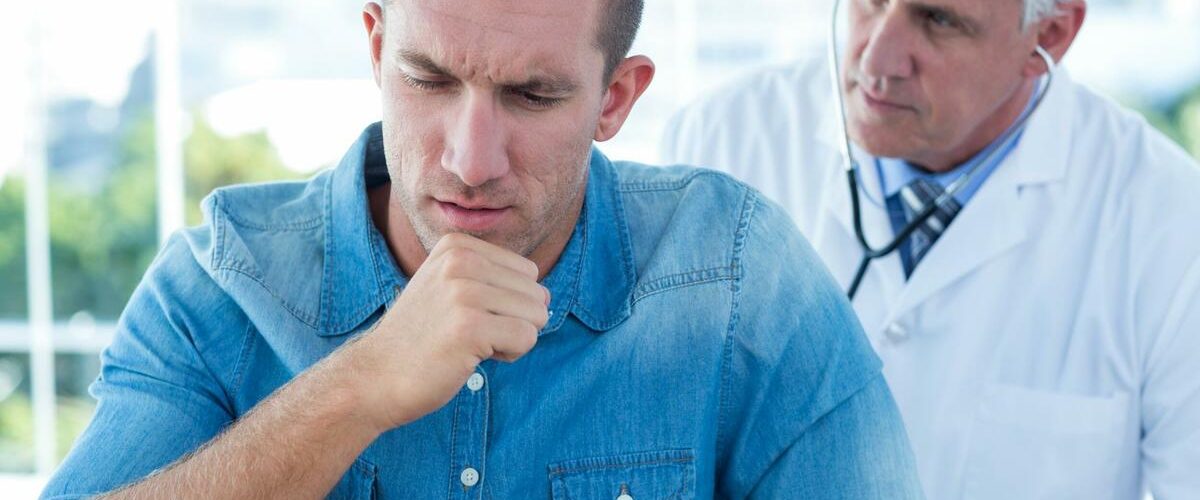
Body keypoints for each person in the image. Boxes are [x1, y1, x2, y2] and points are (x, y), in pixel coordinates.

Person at [42, 0, 923, 498]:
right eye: (429, 80)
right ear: (377, 47)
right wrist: (358, 386)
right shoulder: (220, 285)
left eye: (532, 96)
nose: (470, 161)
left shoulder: (737, 279)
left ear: (616, 99)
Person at [661, 0, 1200, 498]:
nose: (877, 59)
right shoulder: (717, 144)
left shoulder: (1169, 225)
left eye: (939, 21)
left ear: (1049, 35)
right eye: (871, 1)